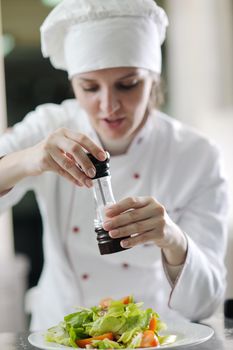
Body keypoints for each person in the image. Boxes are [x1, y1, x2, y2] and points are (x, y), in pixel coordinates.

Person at [0, 0, 229, 331]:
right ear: (73, 84)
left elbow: (206, 301)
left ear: (153, 79)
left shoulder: (197, 155)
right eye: (90, 87)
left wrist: (172, 238)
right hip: (63, 333)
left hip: (153, 334)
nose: (109, 105)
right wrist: (25, 160)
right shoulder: (50, 125)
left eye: (128, 84)